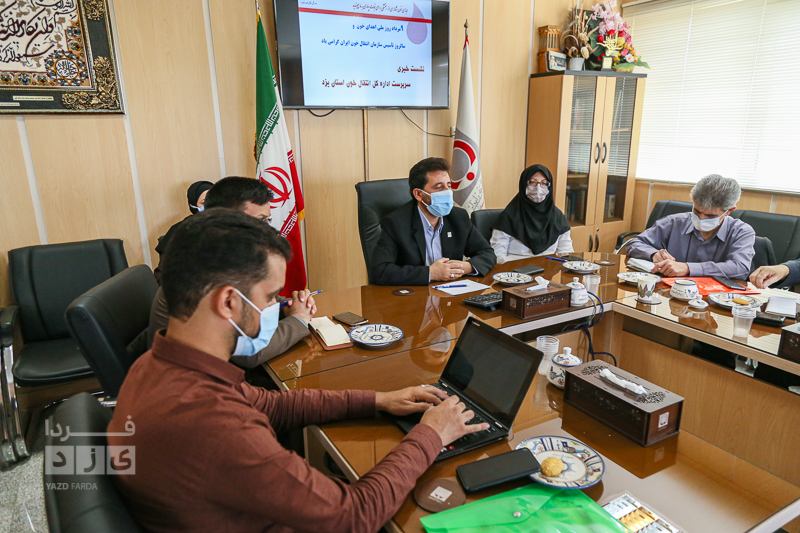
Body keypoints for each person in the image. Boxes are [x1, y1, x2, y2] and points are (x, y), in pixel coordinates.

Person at [108, 209, 486, 533]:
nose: (278, 306)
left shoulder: (156, 365)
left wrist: (380, 400)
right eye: (271, 296)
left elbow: (272, 405)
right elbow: (355, 516)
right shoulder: (216, 426)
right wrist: (430, 435)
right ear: (228, 302)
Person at [147, 176, 314, 369]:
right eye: (261, 221)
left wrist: (286, 307)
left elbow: (250, 297)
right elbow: (250, 353)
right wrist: (298, 319)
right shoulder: (205, 264)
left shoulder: (224, 250)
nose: (267, 229)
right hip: (192, 376)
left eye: (268, 220)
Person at [371, 157, 496, 285]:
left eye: (448, 186)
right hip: (415, 292)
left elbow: (487, 253)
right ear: (418, 194)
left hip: (451, 291)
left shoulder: (458, 217)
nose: (448, 192)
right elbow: (380, 271)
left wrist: (466, 267)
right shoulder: (396, 223)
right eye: (439, 187)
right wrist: (431, 273)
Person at [626, 174, 755, 279]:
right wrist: (653, 254)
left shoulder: (742, 232)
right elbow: (634, 243)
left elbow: (740, 268)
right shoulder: (674, 222)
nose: (701, 219)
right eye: (697, 212)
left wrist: (688, 268)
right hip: (669, 292)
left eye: (710, 215)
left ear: (729, 211)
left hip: (715, 297)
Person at [491, 164, 573, 263]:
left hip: (548, 268)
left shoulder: (557, 216)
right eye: (533, 182)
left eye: (544, 183)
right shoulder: (509, 216)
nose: (538, 188)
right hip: (515, 269)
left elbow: (566, 252)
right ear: (523, 184)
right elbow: (497, 256)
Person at [153, 181, 214, 283]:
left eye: (213, 201)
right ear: (193, 204)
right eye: (204, 202)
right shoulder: (179, 230)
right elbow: (163, 274)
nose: (210, 206)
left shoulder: (227, 226)